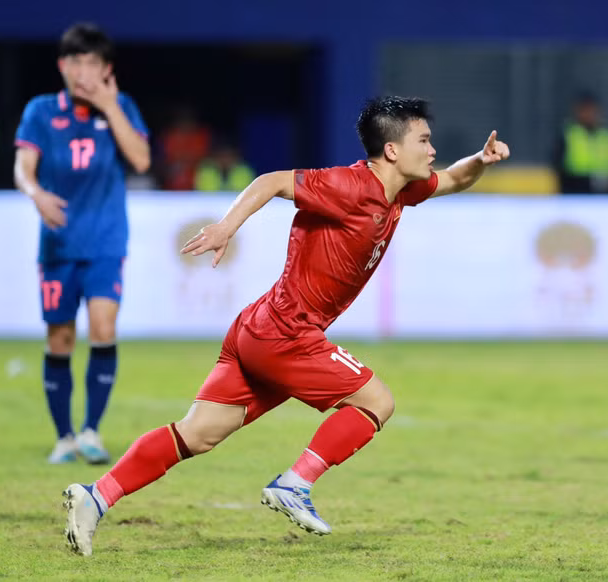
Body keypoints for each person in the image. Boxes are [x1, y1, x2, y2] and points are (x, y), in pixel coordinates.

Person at [60, 96, 510, 556]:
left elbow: (455, 179)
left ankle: (94, 498)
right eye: (424, 140)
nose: (432, 150)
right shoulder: (351, 186)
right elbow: (272, 181)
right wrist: (226, 227)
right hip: (286, 333)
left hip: (259, 326)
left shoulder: (401, 190)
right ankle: (295, 484)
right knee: (377, 400)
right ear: (392, 150)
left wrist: (481, 159)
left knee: (198, 433)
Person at [13, 23, 150, 465]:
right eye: (75, 62)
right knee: (61, 338)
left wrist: (110, 106)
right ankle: (64, 437)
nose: (82, 72)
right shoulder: (40, 111)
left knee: (104, 329)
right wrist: (35, 194)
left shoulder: (122, 106)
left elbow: (142, 159)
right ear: (62, 66)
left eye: (92, 63)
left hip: (107, 241)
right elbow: (22, 167)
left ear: (106, 69)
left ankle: (91, 430)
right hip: (57, 244)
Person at [553, 91, 608, 195]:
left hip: (603, 196)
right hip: (576, 194)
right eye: (585, 110)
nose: (589, 114)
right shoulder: (569, 135)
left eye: (592, 110)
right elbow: (558, 169)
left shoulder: (607, 137)